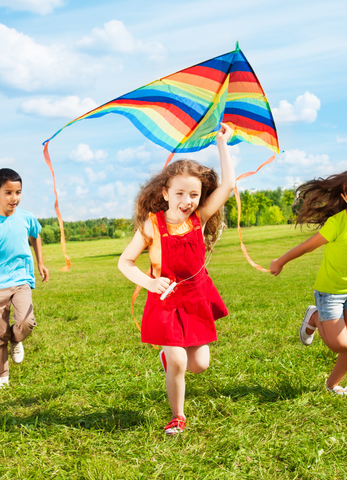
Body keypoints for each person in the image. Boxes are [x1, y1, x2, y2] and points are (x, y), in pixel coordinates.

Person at [118, 123, 235, 434]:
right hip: (166, 301)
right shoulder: (151, 225)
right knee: (179, 362)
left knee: (199, 365)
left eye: (194, 194)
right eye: (180, 192)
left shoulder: (199, 218)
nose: (187, 199)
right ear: (165, 193)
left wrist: (222, 144)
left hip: (196, 298)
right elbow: (125, 262)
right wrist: (150, 283)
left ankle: (166, 359)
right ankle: (177, 417)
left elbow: (228, 186)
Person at [270, 167, 347, 395]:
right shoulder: (337, 223)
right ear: (344, 198)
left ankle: (331, 385)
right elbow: (306, 247)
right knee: (339, 344)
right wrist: (280, 261)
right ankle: (314, 315)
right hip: (329, 293)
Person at [0, 168, 49, 388]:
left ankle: (16, 339)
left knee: (26, 321)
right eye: (8, 193)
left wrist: (40, 263)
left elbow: (36, 236)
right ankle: (1, 374)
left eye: (18, 192)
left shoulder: (27, 217)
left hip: (22, 279)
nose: (14, 198)